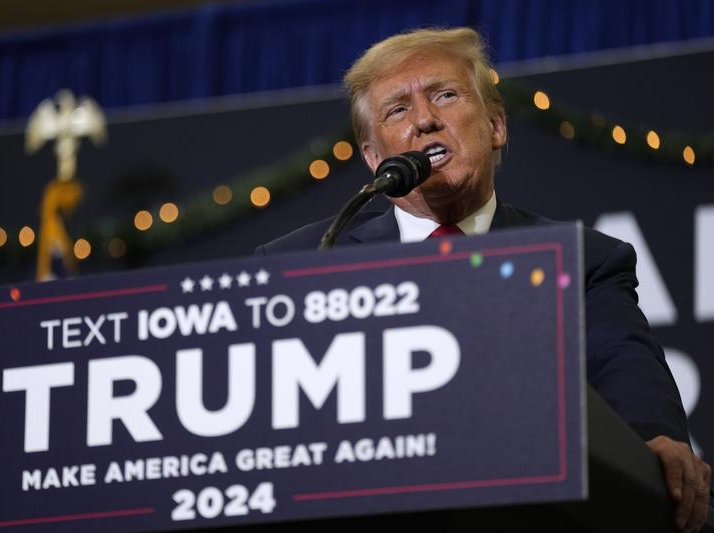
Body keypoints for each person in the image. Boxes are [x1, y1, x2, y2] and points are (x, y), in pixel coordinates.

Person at [256, 27, 711, 531]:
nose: (425, 120)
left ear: (496, 127)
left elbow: (625, 366)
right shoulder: (303, 260)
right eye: (397, 110)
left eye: (445, 96)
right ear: (372, 158)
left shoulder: (581, 260)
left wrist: (654, 443)